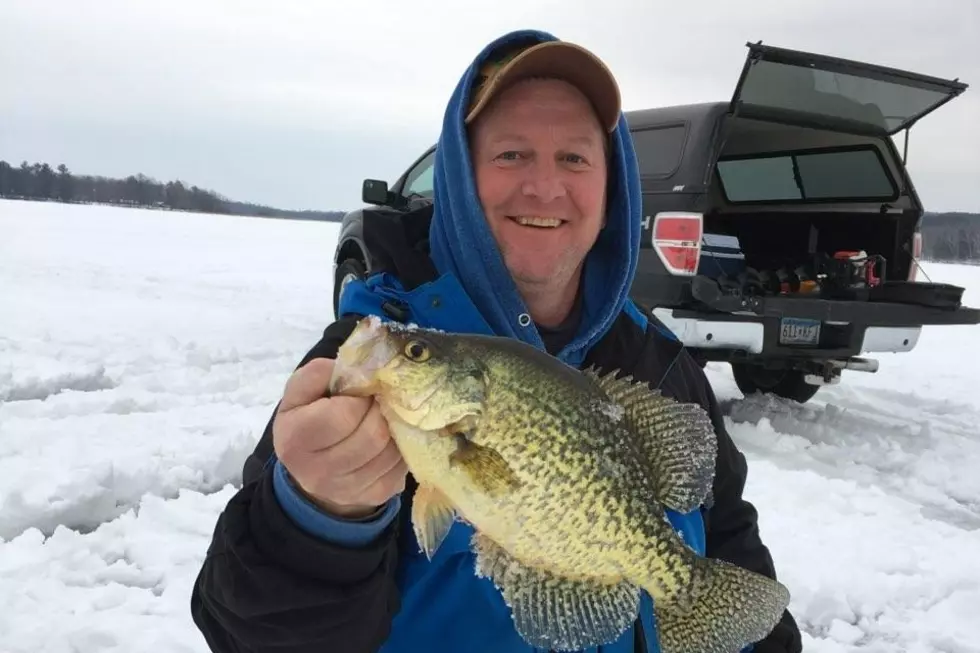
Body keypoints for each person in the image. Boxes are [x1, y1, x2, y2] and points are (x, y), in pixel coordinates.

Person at [190, 28, 803, 653]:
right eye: (511, 155)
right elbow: (250, 633)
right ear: (459, 177)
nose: (544, 186)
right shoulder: (359, 372)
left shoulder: (659, 360)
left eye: (574, 158)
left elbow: (726, 534)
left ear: (610, 186)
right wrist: (319, 518)